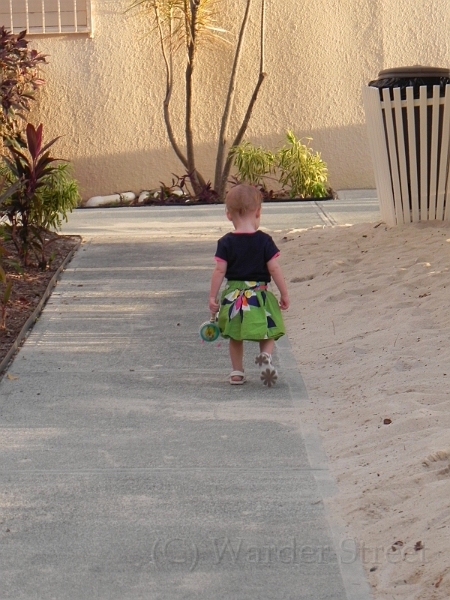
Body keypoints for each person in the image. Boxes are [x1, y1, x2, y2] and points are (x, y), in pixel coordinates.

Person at [209, 184, 289, 386]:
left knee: (235, 335)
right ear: (258, 212)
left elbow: (219, 270)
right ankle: (265, 356)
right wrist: (284, 293)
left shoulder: (225, 242)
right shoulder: (264, 241)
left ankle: (237, 372)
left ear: (228, 215)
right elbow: (274, 269)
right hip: (259, 295)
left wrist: (212, 296)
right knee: (268, 328)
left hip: (235, 299)